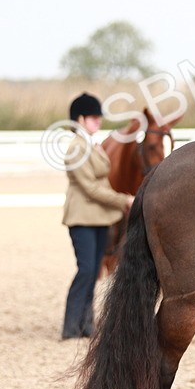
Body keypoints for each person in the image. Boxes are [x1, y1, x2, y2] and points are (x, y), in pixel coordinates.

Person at [61, 93, 133, 340]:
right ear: (80, 119)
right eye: (93, 117)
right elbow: (90, 188)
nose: (98, 121)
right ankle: (70, 324)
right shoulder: (76, 149)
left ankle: (86, 324)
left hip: (100, 218)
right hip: (82, 217)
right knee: (86, 269)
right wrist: (124, 200)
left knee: (93, 273)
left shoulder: (92, 144)